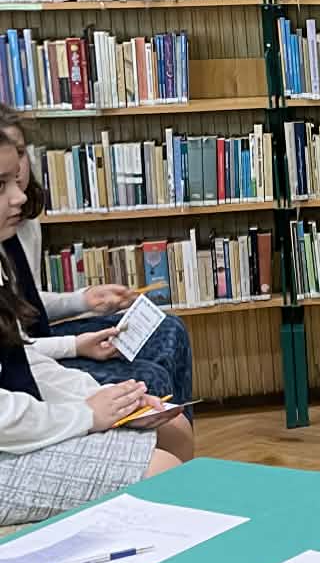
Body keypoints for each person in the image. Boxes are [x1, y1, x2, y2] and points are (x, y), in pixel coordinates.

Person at [0, 131, 183, 527]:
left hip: (22, 422)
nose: (18, 196)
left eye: (15, 178)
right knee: (161, 470)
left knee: (173, 426)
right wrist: (85, 415)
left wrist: (106, 400)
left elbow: (19, 357)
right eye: (2, 186)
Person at [0, 108, 195, 409]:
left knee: (169, 328)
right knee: (151, 379)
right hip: (31, 356)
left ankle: (167, 423)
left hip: (40, 341)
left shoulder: (24, 220)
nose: (18, 171)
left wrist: (84, 300)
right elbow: (17, 350)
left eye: (22, 153)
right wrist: (76, 346)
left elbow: (28, 303)